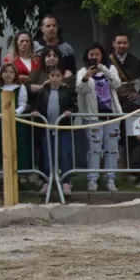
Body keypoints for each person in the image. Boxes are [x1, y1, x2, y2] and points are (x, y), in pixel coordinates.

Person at [76, 43, 122, 192]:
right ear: (87, 56)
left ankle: (110, 179)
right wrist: (85, 78)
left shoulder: (110, 68)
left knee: (111, 148)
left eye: (97, 54)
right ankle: (92, 180)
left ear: (102, 55)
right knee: (94, 148)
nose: (94, 57)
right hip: (93, 116)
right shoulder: (83, 71)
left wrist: (103, 69)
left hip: (111, 115)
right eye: (91, 55)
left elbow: (117, 84)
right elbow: (79, 89)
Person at [32, 67, 78, 195]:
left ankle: (66, 182)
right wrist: (35, 111)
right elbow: (36, 105)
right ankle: (47, 181)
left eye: (58, 76)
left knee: (64, 154)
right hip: (47, 128)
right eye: (52, 75)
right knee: (47, 156)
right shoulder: (43, 91)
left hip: (63, 128)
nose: (55, 78)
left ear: (62, 77)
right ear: (49, 77)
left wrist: (71, 111)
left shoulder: (67, 91)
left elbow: (74, 105)